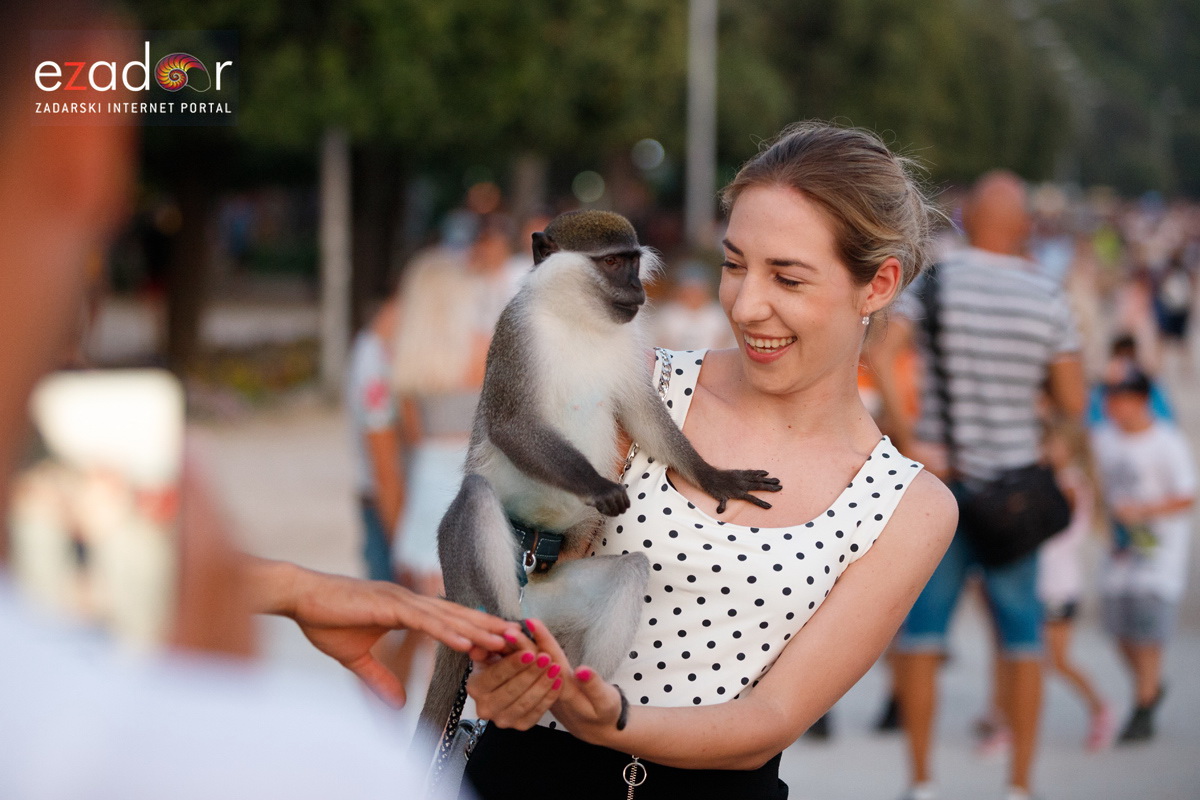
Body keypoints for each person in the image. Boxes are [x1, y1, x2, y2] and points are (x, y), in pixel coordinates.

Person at [0, 6, 518, 795]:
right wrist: (207, 689)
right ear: (89, 145)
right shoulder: (308, 767)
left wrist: (288, 585)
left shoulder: (403, 337)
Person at [453, 122, 958, 799]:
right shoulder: (635, 386)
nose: (747, 305)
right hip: (530, 776)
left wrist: (615, 721)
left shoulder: (907, 506)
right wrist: (501, 659)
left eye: (788, 277)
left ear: (878, 284)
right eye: (734, 264)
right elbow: (502, 563)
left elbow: (773, 716)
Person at [880, 171, 1087, 800]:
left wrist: (913, 440)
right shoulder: (1047, 296)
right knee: (1023, 636)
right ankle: (1019, 783)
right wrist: (1046, 433)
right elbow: (1073, 403)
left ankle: (921, 780)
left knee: (922, 634)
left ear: (966, 218)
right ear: (1024, 225)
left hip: (944, 485)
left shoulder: (937, 281)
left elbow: (884, 353)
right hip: (1014, 494)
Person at [1092, 367, 1196, 743]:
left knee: (1149, 630)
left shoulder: (1167, 442)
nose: (1114, 407)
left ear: (1140, 401)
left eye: (1122, 399)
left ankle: (1144, 701)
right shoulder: (1102, 438)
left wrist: (1145, 510)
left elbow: (1187, 495)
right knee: (1120, 630)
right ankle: (1149, 688)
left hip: (1159, 554)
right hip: (1118, 552)